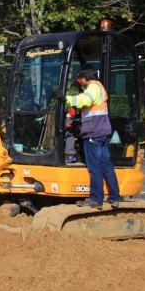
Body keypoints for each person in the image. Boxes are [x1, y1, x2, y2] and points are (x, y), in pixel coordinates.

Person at [54, 65, 120, 209]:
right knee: (106, 165)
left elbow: (85, 100)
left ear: (86, 78)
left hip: (93, 133)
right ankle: (114, 198)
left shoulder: (93, 87)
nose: (80, 82)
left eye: (81, 79)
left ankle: (96, 199)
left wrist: (65, 98)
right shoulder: (100, 87)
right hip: (103, 132)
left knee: (94, 166)